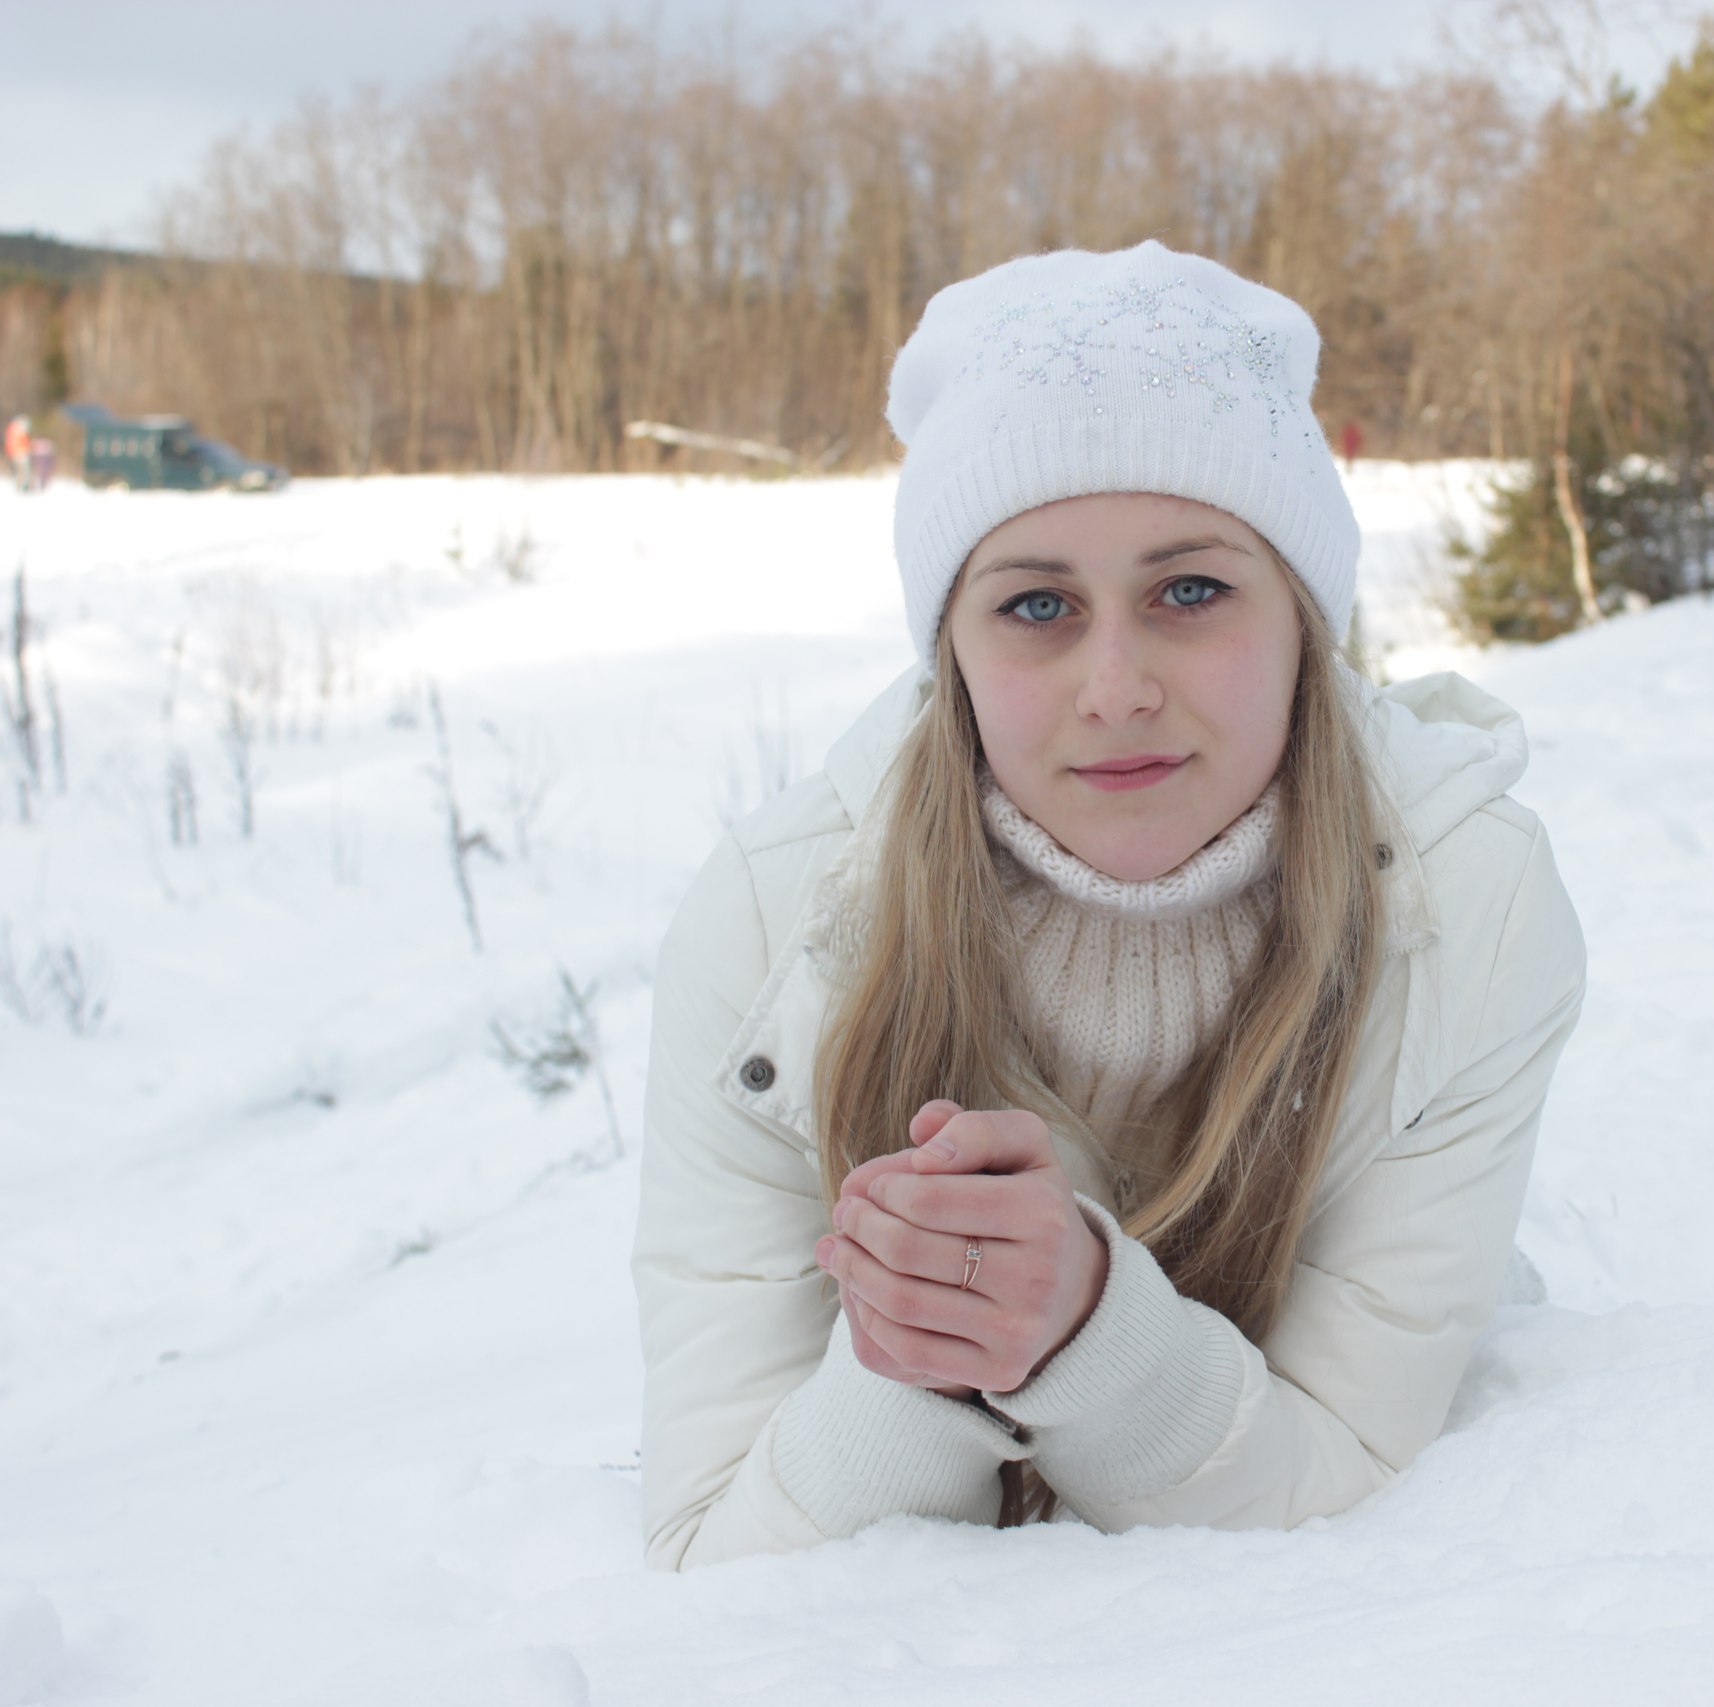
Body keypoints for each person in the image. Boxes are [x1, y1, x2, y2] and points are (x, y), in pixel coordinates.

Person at [632, 240, 1588, 1571]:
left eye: (1190, 591)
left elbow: (1347, 1470)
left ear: (1304, 619)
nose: (1118, 689)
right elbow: (712, 1558)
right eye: (1037, 605)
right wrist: (931, 1350)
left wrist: (1088, 1335)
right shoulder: (773, 927)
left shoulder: (1469, 906)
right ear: (952, 651)